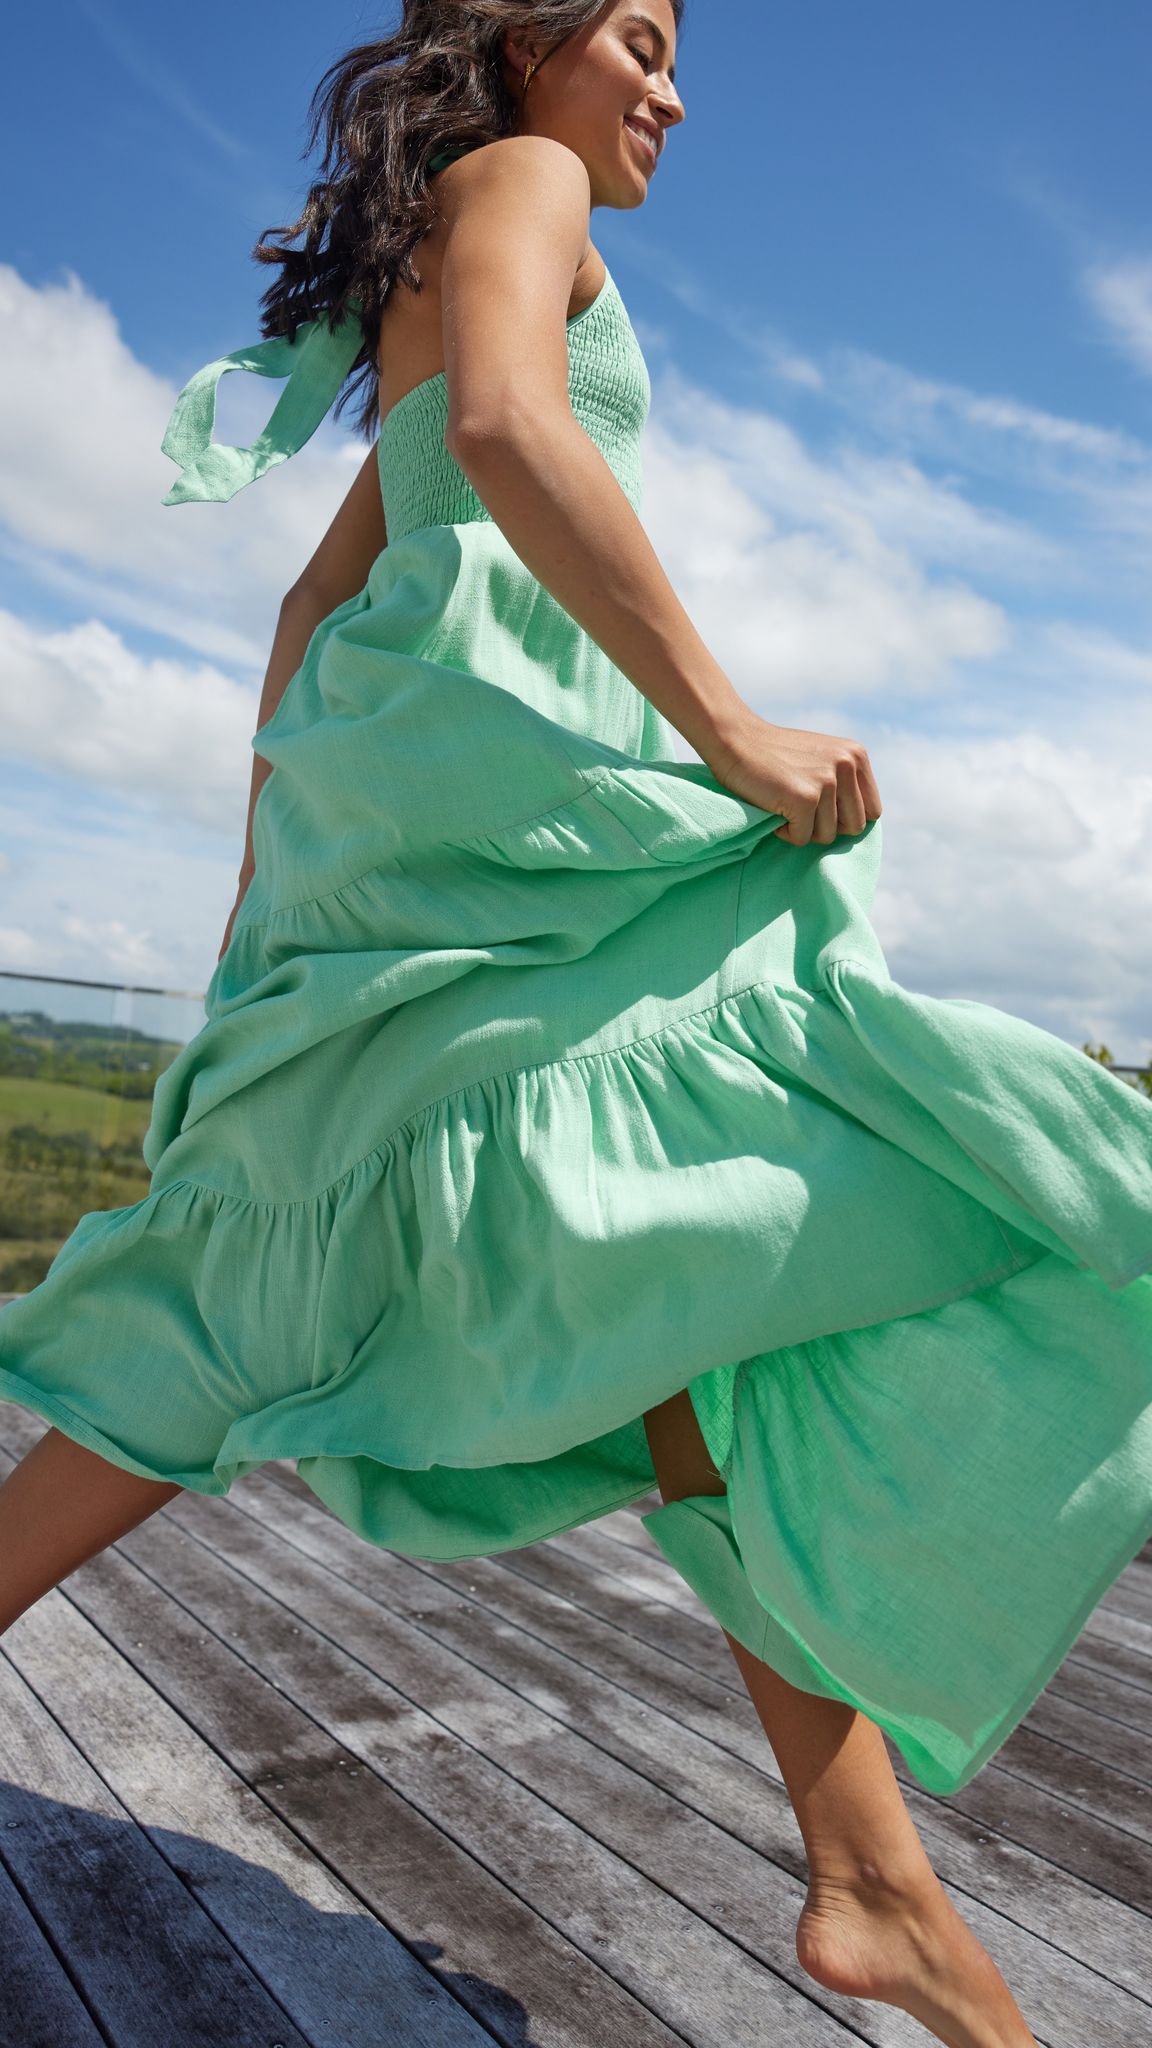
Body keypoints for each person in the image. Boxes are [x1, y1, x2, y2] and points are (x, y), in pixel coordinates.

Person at [1, 4, 1149, 2039]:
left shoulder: (450, 224)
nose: (673, 91)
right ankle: (873, 1881)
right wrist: (730, 731)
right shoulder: (514, 182)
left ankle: (872, 1880)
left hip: (460, 852)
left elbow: (309, 608)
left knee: (408, 1299)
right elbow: (520, 433)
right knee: (781, 1206)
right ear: (525, 39)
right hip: (528, 848)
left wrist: (278, 911)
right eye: (640, 35)